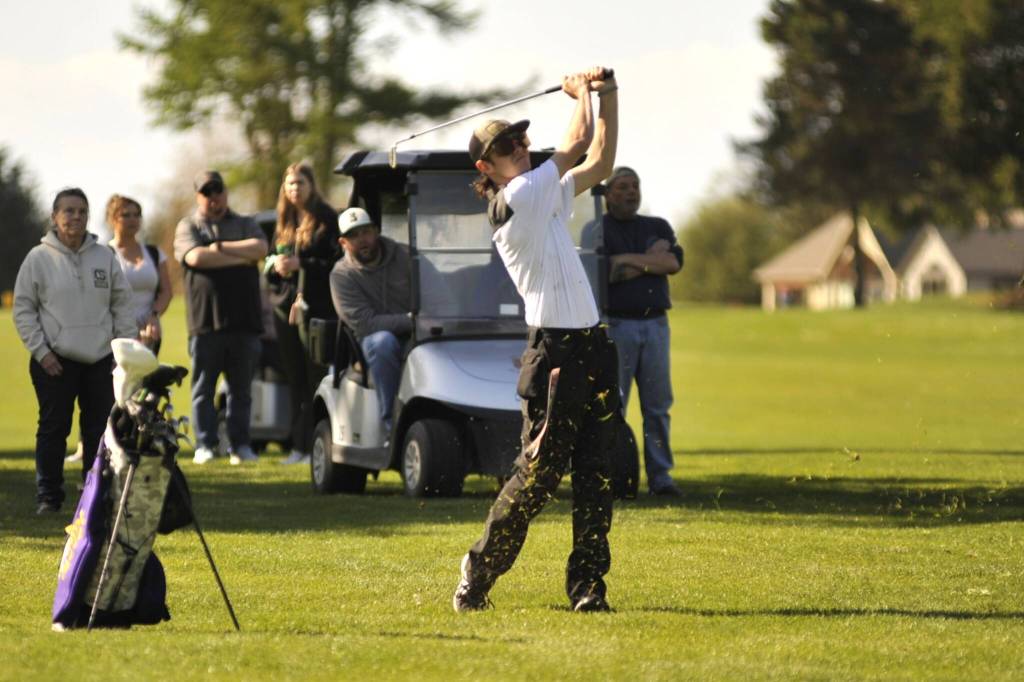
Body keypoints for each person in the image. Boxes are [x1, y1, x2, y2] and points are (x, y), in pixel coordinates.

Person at [453, 66, 619, 613]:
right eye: (506, 146)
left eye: (521, 139)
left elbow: (600, 162)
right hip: (556, 354)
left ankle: (588, 588)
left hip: (593, 347)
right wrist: (580, 95)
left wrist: (607, 95)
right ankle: (477, 574)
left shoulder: (542, 191)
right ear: (487, 167)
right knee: (539, 479)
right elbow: (573, 143)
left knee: (597, 475)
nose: (520, 147)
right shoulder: (516, 199)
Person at [13, 188, 137, 514]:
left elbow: (122, 306)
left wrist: (123, 355)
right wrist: (42, 352)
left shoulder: (104, 257)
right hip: (54, 361)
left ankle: (94, 499)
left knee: (98, 432)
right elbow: (23, 310)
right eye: (68, 211)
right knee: (54, 429)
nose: (76, 217)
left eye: (82, 211)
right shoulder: (38, 259)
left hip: (100, 361)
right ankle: (49, 498)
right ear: (54, 217)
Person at [583, 167, 684, 496]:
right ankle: (614, 475)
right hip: (618, 326)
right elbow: (606, 273)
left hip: (655, 325)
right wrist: (645, 261)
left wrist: (626, 261)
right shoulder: (596, 229)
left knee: (657, 406)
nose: (631, 192)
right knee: (616, 405)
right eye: (623, 187)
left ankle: (661, 478)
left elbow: (671, 264)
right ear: (608, 194)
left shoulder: (657, 226)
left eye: (635, 186)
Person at [174, 171, 268, 466]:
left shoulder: (245, 222)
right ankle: (206, 444)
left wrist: (220, 248)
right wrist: (243, 257)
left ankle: (240, 446)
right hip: (205, 322)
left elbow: (262, 249)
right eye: (207, 192)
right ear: (198, 196)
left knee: (241, 391)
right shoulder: (189, 225)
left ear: (226, 193)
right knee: (204, 387)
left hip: (244, 320)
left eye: (218, 191)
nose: (214, 197)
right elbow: (195, 259)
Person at [266, 163, 341, 465]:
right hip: (286, 310)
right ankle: (298, 446)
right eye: (290, 183)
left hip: (318, 309)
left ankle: (316, 445)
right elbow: (270, 262)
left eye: (300, 182)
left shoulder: (326, 218)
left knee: (315, 377)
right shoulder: (283, 220)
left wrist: (303, 265)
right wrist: (276, 266)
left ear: (312, 185)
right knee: (294, 378)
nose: (295, 188)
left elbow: (337, 263)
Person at [329, 206, 412, 436]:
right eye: (353, 236)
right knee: (383, 342)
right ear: (343, 243)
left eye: (365, 232)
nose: (361, 240)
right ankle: (391, 425)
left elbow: (436, 292)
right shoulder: (341, 275)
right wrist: (411, 321)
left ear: (376, 231)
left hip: (416, 331)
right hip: (370, 344)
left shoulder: (406, 256)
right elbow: (366, 324)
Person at [107, 194, 173, 354]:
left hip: (150, 334)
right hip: (116, 336)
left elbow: (166, 291)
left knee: (146, 378)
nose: (133, 219)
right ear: (113, 219)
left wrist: (154, 316)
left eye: (137, 215)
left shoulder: (154, 253)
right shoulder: (103, 254)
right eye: (126, 215)